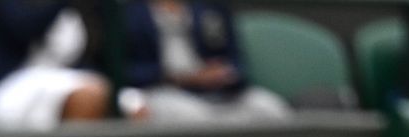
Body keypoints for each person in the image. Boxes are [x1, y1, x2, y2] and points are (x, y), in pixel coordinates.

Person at [0, 0, 142, 128]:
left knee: (134, 105)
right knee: (87, 98)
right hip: (4, 89)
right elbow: (24, 26)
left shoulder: (76, 10)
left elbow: (82, 57)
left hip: (59, 79)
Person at [120, 0, 293, 122]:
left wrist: (225, 73)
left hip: (220, 93)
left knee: (269, 107)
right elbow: (123, 72)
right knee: (192, 118)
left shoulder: (211, 8)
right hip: (163, 92)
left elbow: (236, 60)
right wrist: (181, 77)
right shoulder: (127, 12)